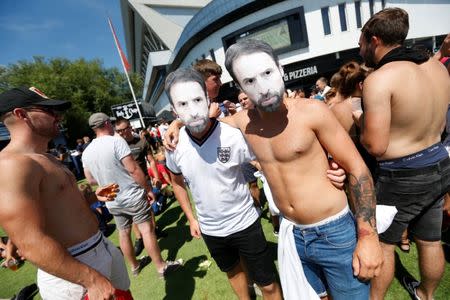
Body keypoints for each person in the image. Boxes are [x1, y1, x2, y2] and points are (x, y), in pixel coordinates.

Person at [220, 39, 382, 299]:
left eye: (267, 73)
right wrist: (174, 127)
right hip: (293, 235)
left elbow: (357, 169)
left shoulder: (312, 111)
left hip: (334, 232)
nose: (262, 87)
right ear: (239, 87)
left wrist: (368, 236)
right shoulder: (240, 123)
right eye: (249, 81)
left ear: (280, 69)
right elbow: (199, 125)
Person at [353, 8, 450, 300]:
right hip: (440, 162)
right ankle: (426, 295)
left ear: (374, 40)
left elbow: (375, 146)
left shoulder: (379, 79)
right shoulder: (437, 67)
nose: (360, 50)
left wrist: (359, 121)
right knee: (430, 241)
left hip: (401, 176)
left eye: (360, 43)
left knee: (383, 245)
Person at [0, 86, 131, 299]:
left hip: (98, 249)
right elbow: (29, 241)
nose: (57, 116)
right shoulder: (12, 165)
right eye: (48, 111)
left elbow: (60, 207)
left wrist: (93, 197)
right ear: (21, 114)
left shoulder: (47, 157)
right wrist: (90, 279)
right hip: (75, 272)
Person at [164, 67, 282, 299]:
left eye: (197, 100)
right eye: (183, 104)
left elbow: (264, 162)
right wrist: (190, 217)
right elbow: (176, 182)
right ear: (174, 109)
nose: (192, 110)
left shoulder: (232, 134)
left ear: (208, 100)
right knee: (235, 276)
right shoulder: (174, 144)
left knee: (268, 285)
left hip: (245, 222)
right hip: (211, 230)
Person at [82, 113, 181, 279]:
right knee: (147, 230)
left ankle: (135, 266)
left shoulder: (87, 151)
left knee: (123, 233)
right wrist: (148, 189)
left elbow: (91, 180)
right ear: (107, 123)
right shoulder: (116, 141)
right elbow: (133, 169)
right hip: (131, 194)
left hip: (112, 200)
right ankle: (161, 267)